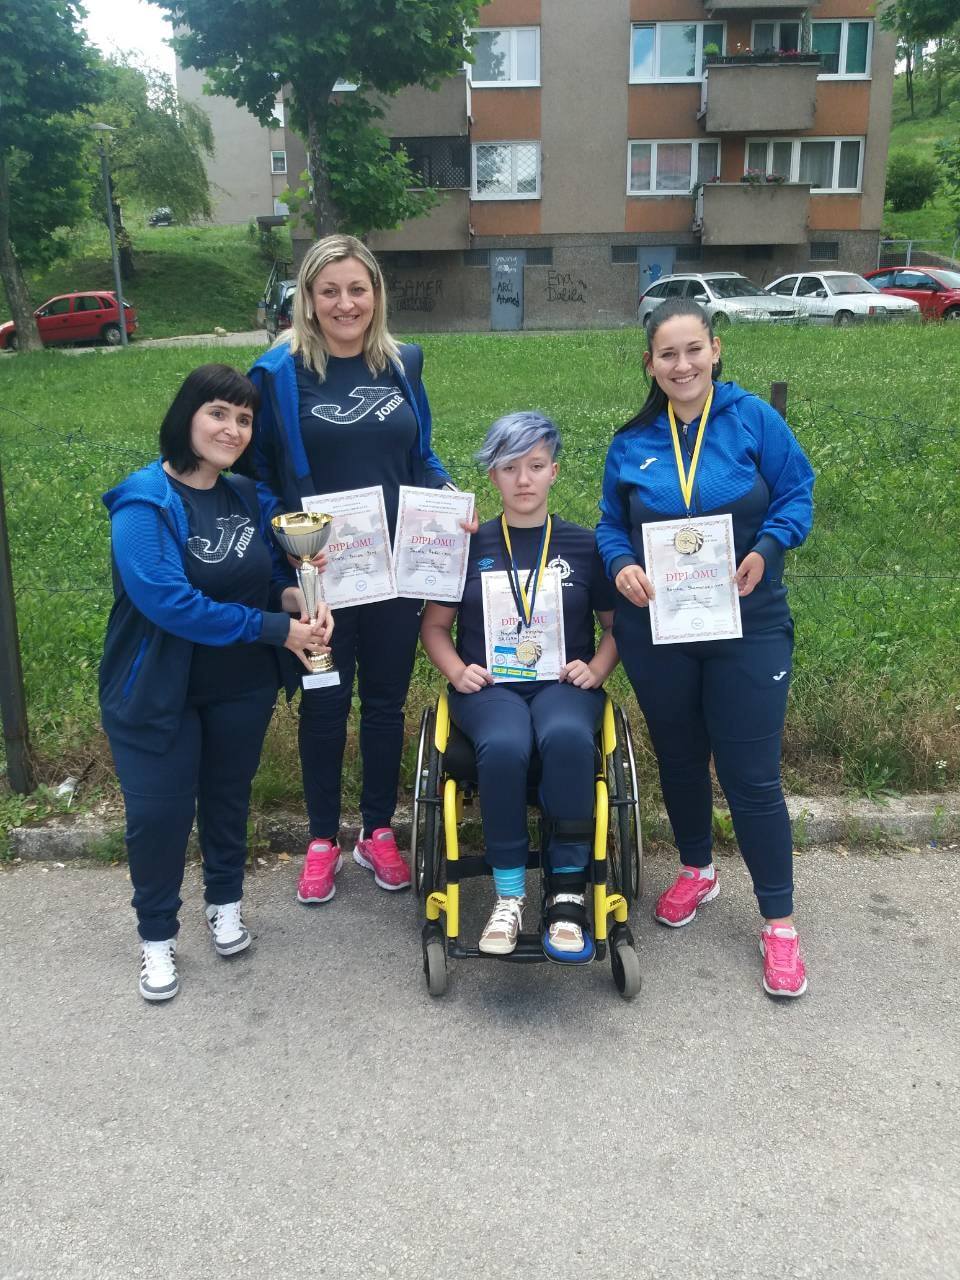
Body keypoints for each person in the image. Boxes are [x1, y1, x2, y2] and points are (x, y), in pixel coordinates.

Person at [597, 298, 815, 998]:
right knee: (682, 757)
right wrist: (620, 565)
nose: (683, 364)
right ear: (649, 364)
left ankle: (779, 924)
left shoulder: (752, 420)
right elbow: (609, 525)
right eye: (668, 354)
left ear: (715, 350)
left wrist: (768, 548)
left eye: (694, 349)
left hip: (748, 624)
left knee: (751, 776)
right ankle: (697, 869)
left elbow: (798, 493)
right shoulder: (633, 441)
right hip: (660, 631)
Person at [100, 365, 333, 1002]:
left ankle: (224, 902)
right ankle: (156, 936)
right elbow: (169, 602)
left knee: (228, 799)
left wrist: (296, 600)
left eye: (244, 419)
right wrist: (276, 630)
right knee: (160, 815)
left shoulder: (246, 495)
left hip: (240, 685)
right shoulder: (144, 502)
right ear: (188, 416)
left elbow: (261, 579)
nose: (232, 429)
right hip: (157, 690)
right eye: (218, 413)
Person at [248, 234, 467, 906]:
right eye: (329, 291)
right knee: (324, 701)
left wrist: (450, 499)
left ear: (376, 294)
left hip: (395, 571)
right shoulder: (277, 374)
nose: (345, 303)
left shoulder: (403, 363)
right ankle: (322, 839)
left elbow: (421, 456)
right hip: (320, 577)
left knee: (384, 704)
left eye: (357, 289)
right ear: (308, 299)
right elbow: (258, 477)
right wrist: (289, 542)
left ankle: (376, 830)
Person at [421, 412, 619, 961]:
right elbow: (434, 628)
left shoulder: (584, 545)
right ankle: (509, 895)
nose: (523, 479)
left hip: (563, 683)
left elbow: (615, 626)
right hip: (489, 688)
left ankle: (567, 895)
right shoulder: (468, 545)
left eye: (535, 465)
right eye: (510, 468)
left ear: (554, 471)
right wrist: (456, 670)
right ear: (493, 476)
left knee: (567, 736)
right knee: (505, 743)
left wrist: (599, 668)